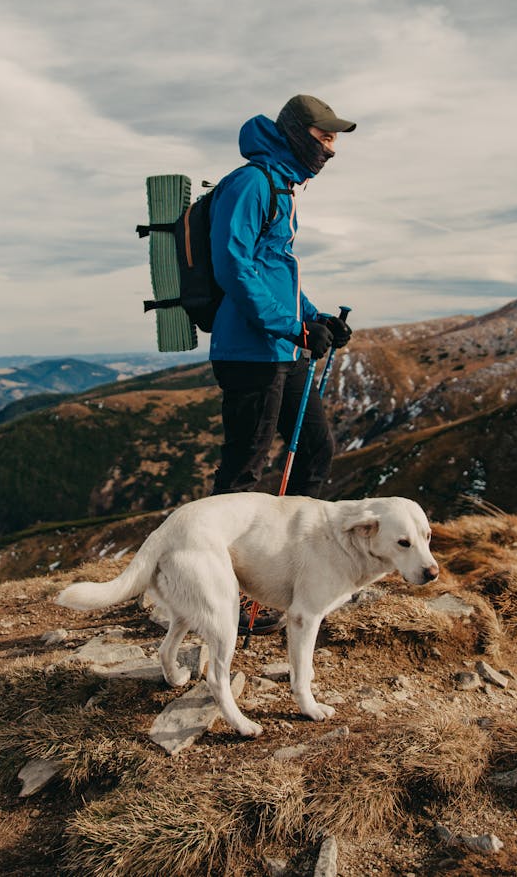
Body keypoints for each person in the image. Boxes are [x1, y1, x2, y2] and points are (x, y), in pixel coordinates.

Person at [209, 93, 355, 633]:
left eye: (334, 138)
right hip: (250, 352)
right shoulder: (251, 184)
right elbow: (234, 269)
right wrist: (294, 326)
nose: (331, 149)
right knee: (244, 472)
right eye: (324, 137)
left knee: (318, 449)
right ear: (297, 133)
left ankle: (287, 575)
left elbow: (275, 272)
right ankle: (220, 596)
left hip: (282, 348)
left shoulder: (283, 187)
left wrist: (317, 318)